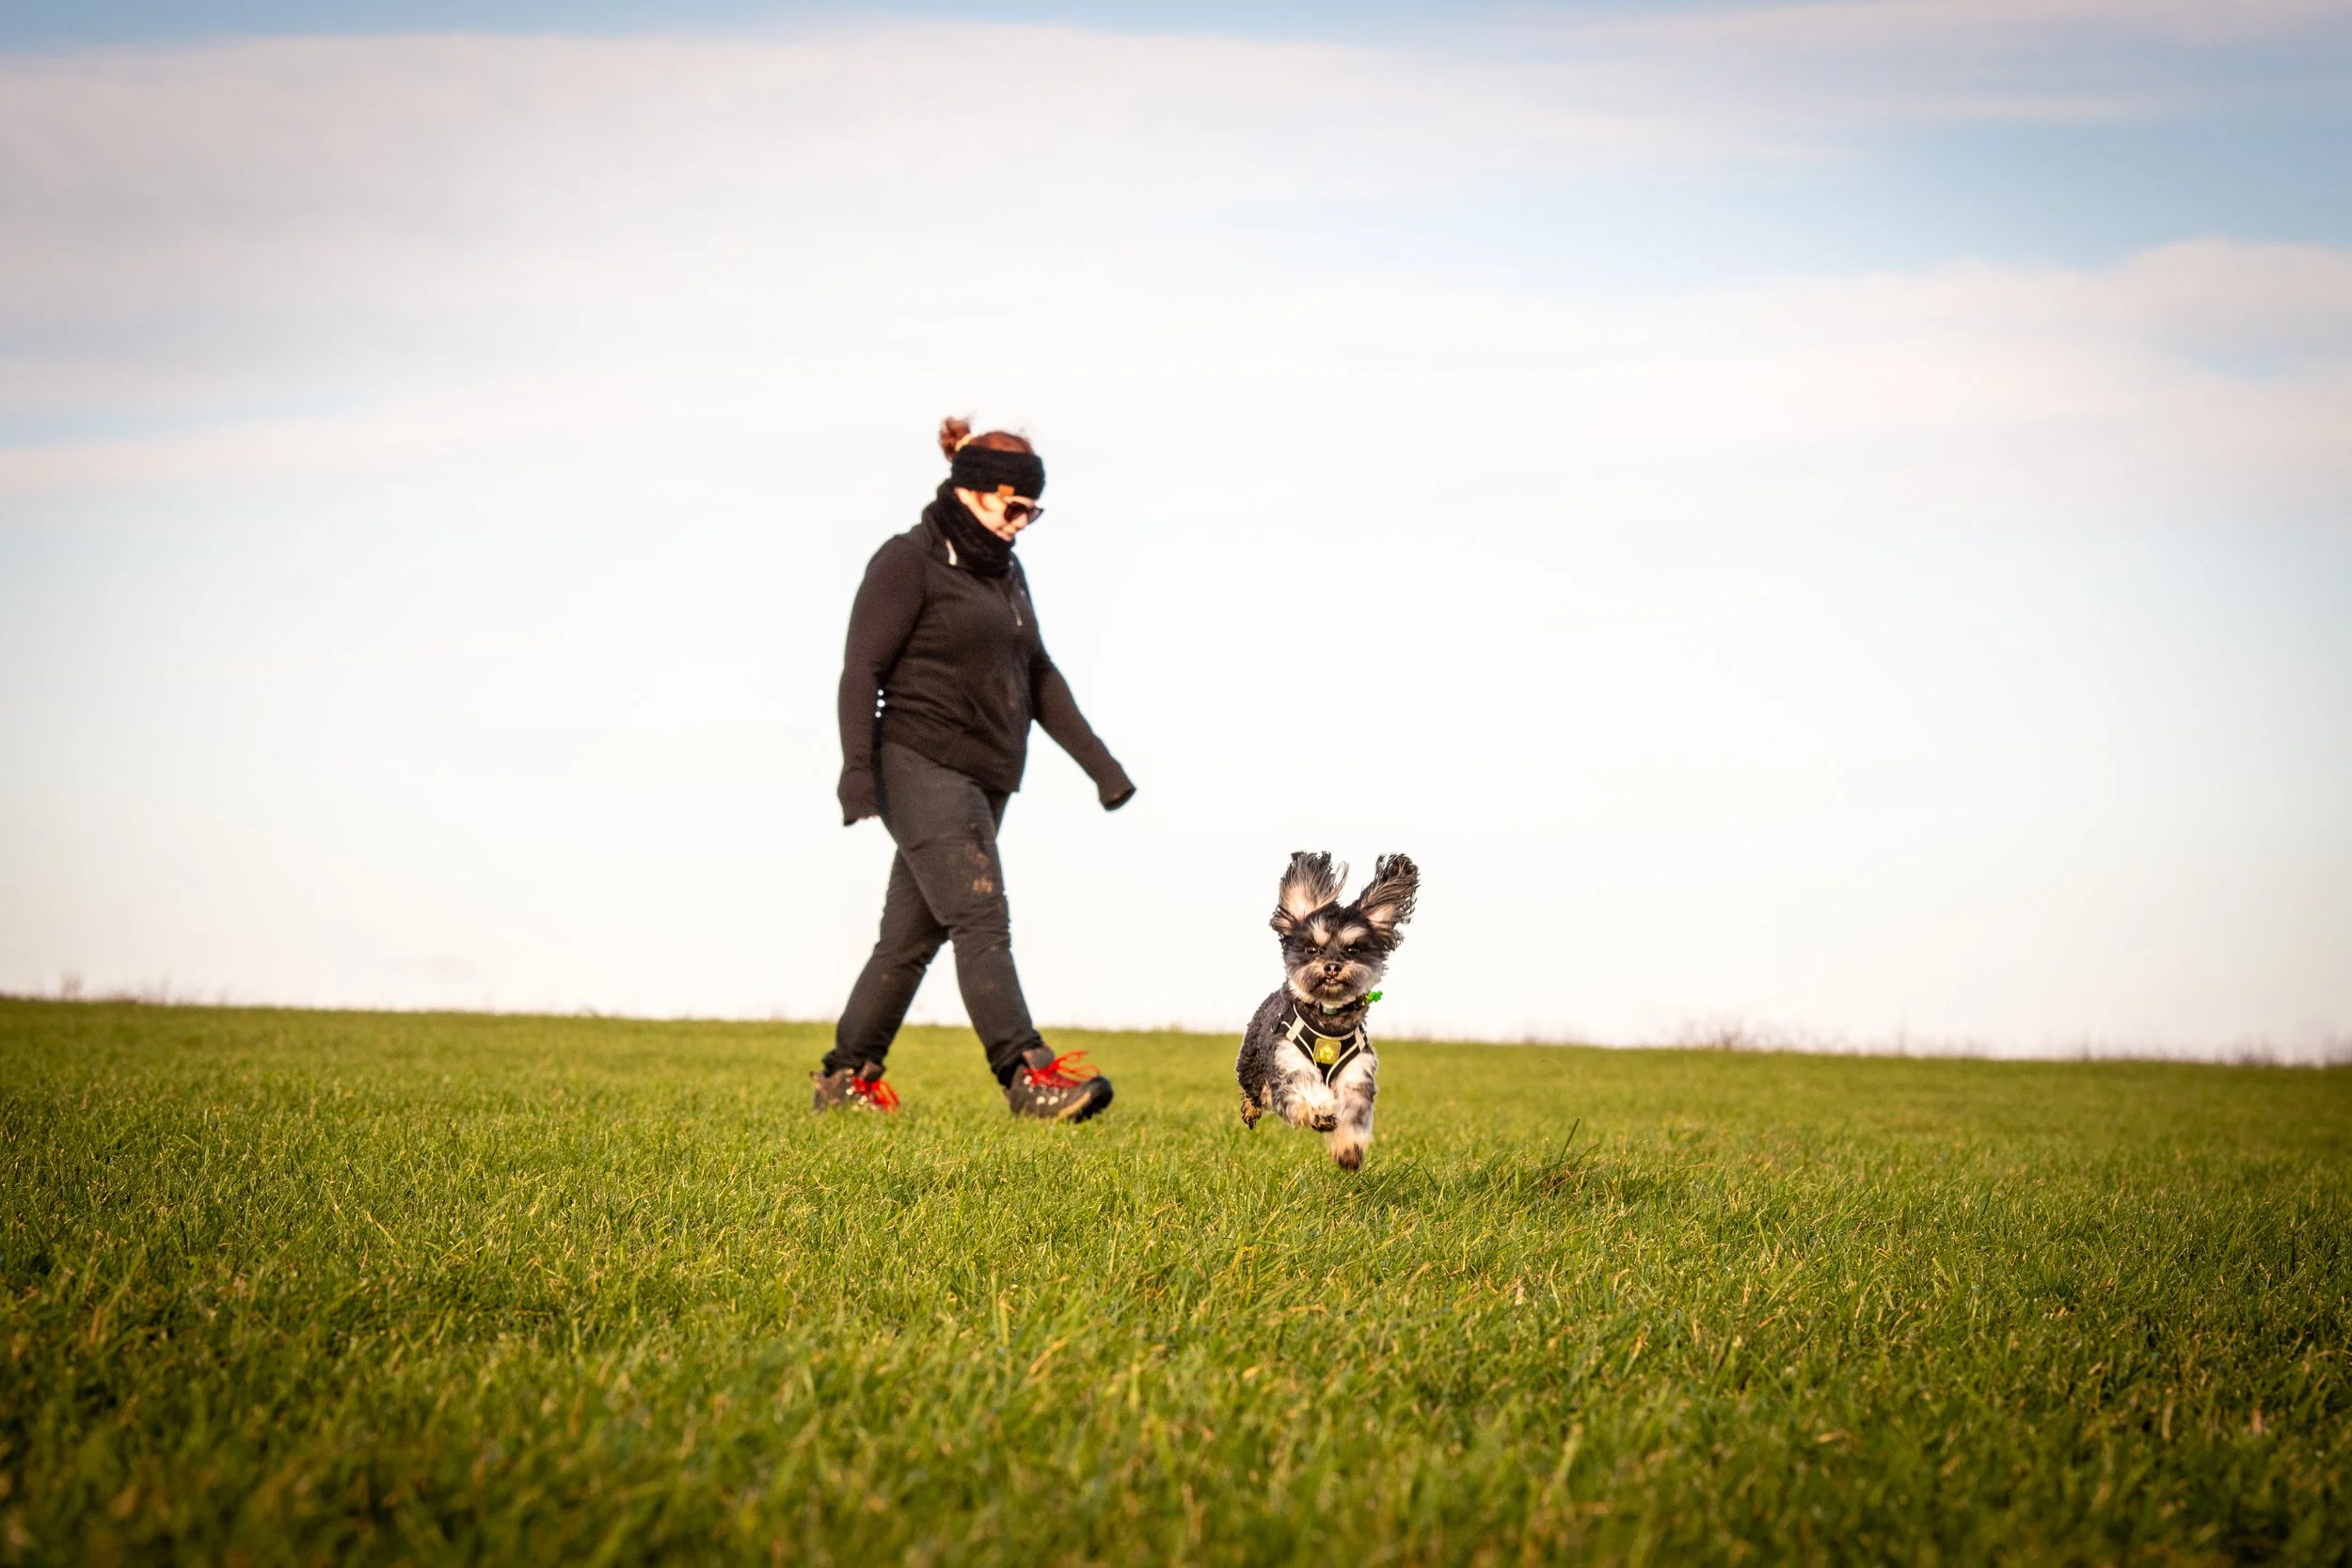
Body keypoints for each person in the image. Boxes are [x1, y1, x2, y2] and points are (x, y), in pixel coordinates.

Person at [815, 418, 1135, 1119]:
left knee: (908, 939)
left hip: (987, 774)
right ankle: (1028, 1074)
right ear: (971, 492)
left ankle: (845, 1078)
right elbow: (859, 668)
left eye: (1032, 511)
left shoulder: (1005, 571)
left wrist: (1100, 765)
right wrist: (857, 772)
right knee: (982, 918)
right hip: (918, 763)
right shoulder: (909, 560)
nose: (1022, 524)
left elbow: (1038, 671)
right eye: (1012, 507)